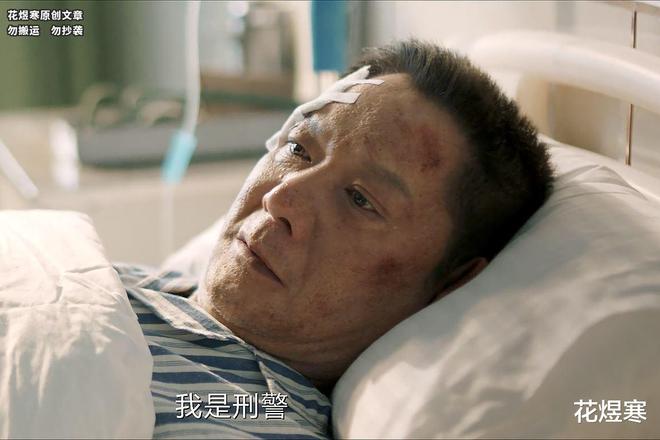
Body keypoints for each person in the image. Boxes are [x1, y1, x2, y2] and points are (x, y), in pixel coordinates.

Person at [119, 39, 553, 439]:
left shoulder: (239, 423)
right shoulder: (123, 283)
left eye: (361, 199)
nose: (281, 198)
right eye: (298, 149)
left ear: (449, 285)